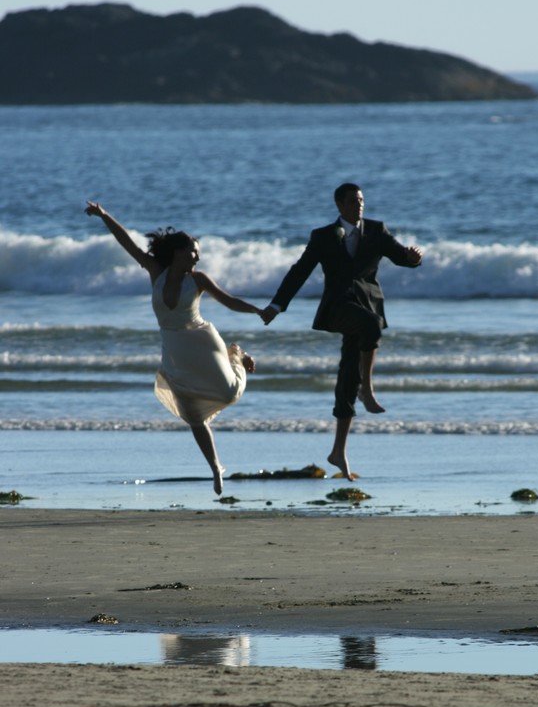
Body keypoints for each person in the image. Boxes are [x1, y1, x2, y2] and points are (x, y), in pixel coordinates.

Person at [85, 202, 264, 494]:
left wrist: (258, 310)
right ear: (179, 252)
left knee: (229, 392)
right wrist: (104, 216)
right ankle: (215, 468)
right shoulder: (156, 271)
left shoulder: (198, 280)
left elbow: (229, 300)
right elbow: (127, 243)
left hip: (203, 342)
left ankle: (238, 355)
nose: (197, 256)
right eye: (193, 251)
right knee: (193, 414)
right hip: (174, 349)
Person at [261, 183, 422, 480]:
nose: (359, 205)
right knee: (370, 326)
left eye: (361, 200)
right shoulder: (323, 236)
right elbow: (300, 271)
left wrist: (413, 258)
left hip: (367, 303)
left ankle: (338, 451)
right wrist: (276, 305)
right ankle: (368, 389)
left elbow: (401, 256)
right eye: (352, 201)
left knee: (348, 371)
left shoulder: (376, 230)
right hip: (338, 307)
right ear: (339, 205)